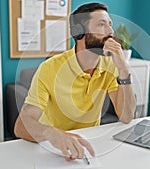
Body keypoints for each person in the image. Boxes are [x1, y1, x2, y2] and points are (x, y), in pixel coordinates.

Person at [14, 2, 136, 161]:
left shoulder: (110, 65)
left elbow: (126, 117)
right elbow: (21, 126)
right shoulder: (50, 68)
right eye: (101, 24)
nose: (111, 32)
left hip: (91, 147)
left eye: (110, 25)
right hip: (53, 149)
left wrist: (124, 71)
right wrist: (52, 133)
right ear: (79, 33)